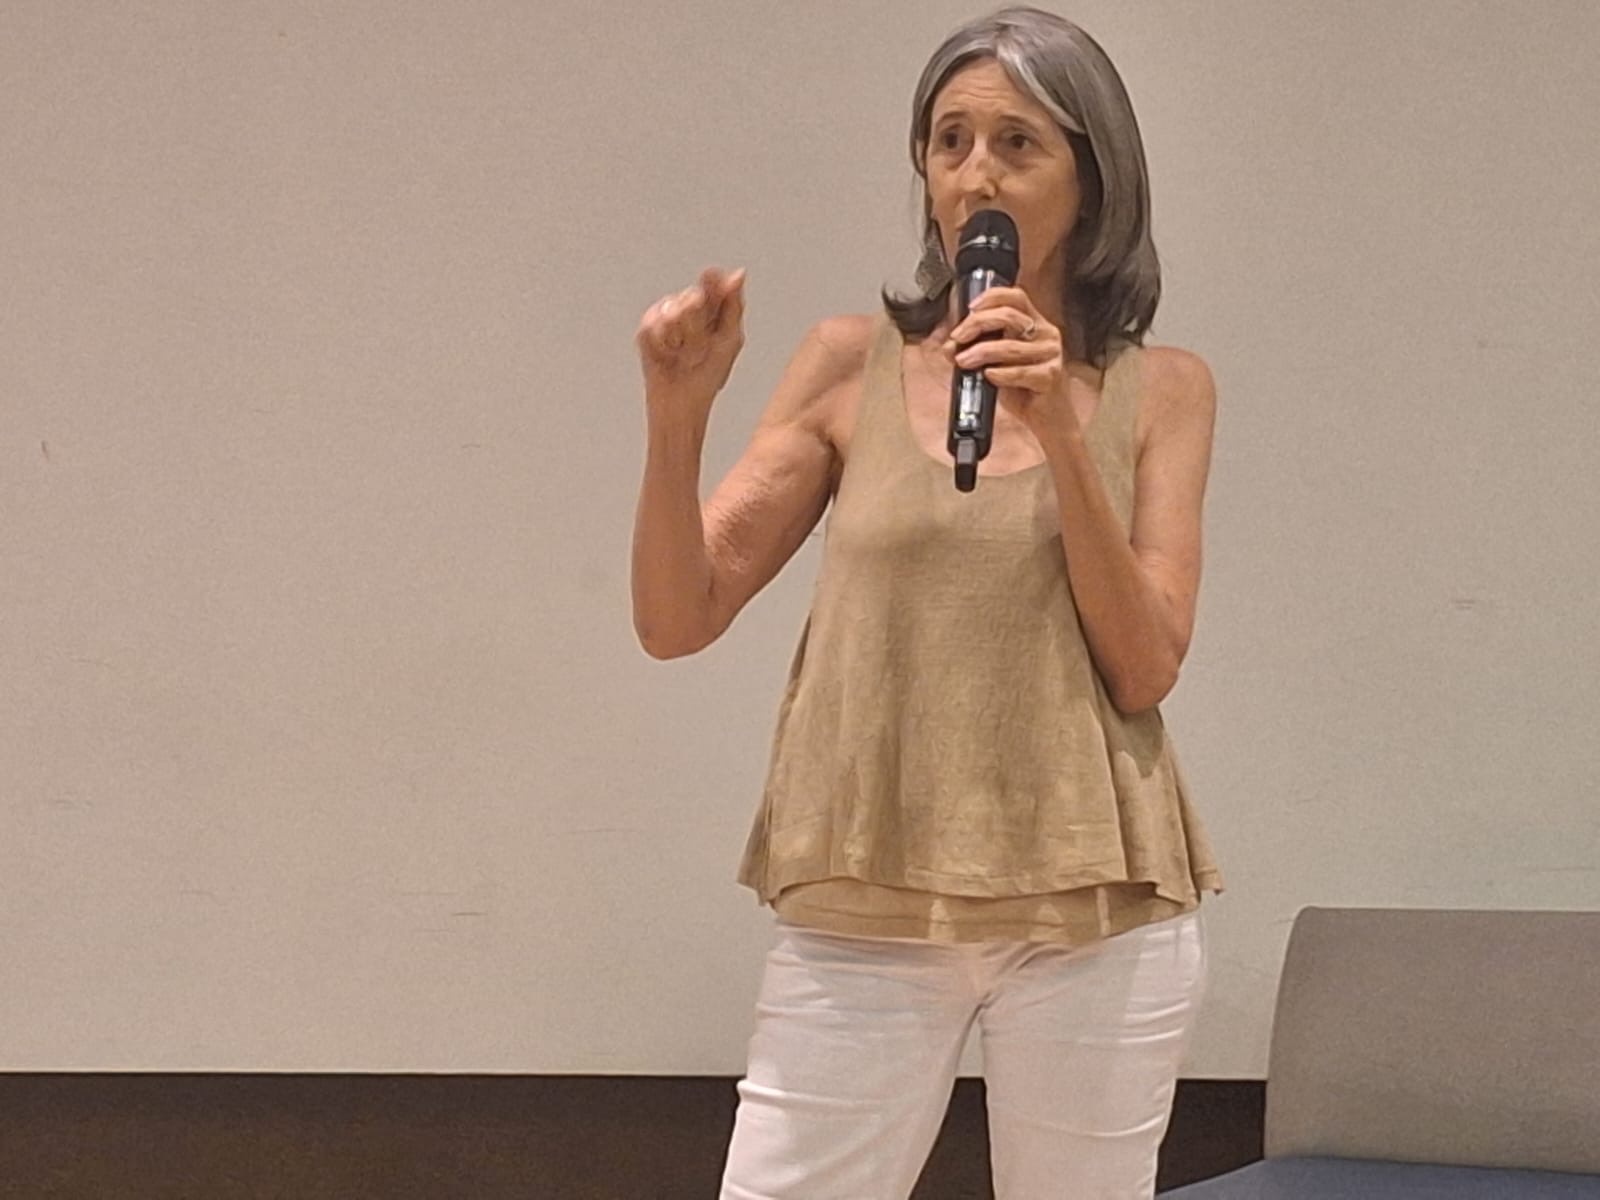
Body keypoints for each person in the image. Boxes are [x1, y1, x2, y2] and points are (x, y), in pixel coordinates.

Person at [630, 7, 1224, 1197]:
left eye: (1017, 143)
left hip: (1093, 905)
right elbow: (676, 619)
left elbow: (1145, 664)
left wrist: (1059, 431)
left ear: (1092, 177)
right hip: (867, 891)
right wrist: (675, 417)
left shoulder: (1161, 389)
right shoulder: (845, 362)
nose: (975, 176)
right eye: (949, 141)